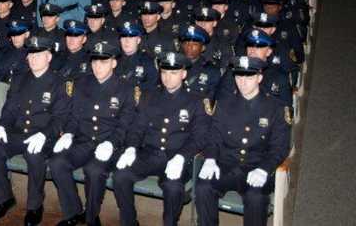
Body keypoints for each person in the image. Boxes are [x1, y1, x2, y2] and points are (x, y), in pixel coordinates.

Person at [112, 51, 209, 226]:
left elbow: (200, 137)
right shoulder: (149, 96)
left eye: (173, 73)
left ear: (183, 74)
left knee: (172, 187)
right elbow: (137, 127)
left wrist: (182, 157)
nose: (168, 78)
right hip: (149, 153)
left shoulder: (196, 101)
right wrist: (131, 148)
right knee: (120, 175)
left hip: (177, 157)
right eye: (164, 72)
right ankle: (129, 221)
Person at [196, 56, 291, 226]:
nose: (243, 82)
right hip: (226, 165)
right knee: (204, 187)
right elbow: (213, 136)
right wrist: (210, 158)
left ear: (259, 78)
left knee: (256, 197)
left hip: (256, 167)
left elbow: (280, 147)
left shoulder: (275, 108)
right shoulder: (224, 104)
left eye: (248, 77)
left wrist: (264, 169)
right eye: (239, 77)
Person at [49, 42, 136, 226]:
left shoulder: (126, 88)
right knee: (57, 162)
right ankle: (73, 211)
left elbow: (125, 124)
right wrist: (69, 134)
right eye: (95, 62)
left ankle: (91, 216)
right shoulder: (81, 83)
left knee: (94, 170)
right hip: (84, 141)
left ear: (114, 63)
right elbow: (74, 116)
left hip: (109, 144)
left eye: (103, 62)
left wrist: (112, 143)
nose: (97, 67)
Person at [0, 35, 70, 225]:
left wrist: (45, 134)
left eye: (38, 55)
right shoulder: (19, 79)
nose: (33, 59)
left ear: (49, 57)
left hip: (44, 136)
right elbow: (9, 110)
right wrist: (1, 127)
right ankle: (4, 198)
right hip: (18, 133)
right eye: (31, 55)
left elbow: (61, 118)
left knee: (35, 156)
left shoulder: (60, 83)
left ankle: (34, 206)